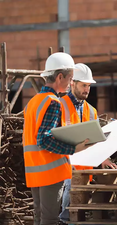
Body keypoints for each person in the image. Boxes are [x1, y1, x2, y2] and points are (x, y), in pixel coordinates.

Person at [23, 53, 90, 225]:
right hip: (50, 172)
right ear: (60, 77)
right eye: (70, 78)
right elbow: (44, 139)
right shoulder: (53, 102)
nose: (70, 83)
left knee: (40, 217)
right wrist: (74, 149)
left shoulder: (33, 102)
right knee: (50, 220)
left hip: (34, 169)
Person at [58, 63, 117, 224]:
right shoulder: (59, 105)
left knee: (79, 215)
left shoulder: (91, 111)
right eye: (83, 85)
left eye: (89, 86)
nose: (87, 89)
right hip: (65, 172)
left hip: (85, 173)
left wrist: (104, 158)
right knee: (67, 215)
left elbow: (95, 140)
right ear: (72, 83)